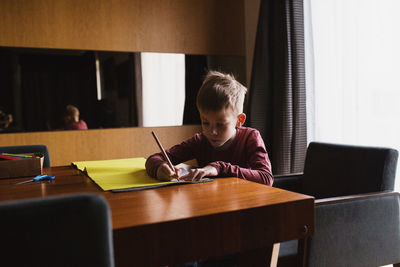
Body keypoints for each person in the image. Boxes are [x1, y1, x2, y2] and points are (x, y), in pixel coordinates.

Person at [145, 71, 273, 186]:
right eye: (205, 123)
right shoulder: (200, 141)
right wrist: (160, 168)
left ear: (239, 120)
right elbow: (153, 159)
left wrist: (219, 168)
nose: (212, 132)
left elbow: (266, 178)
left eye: (220, 124)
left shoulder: (250, 138)